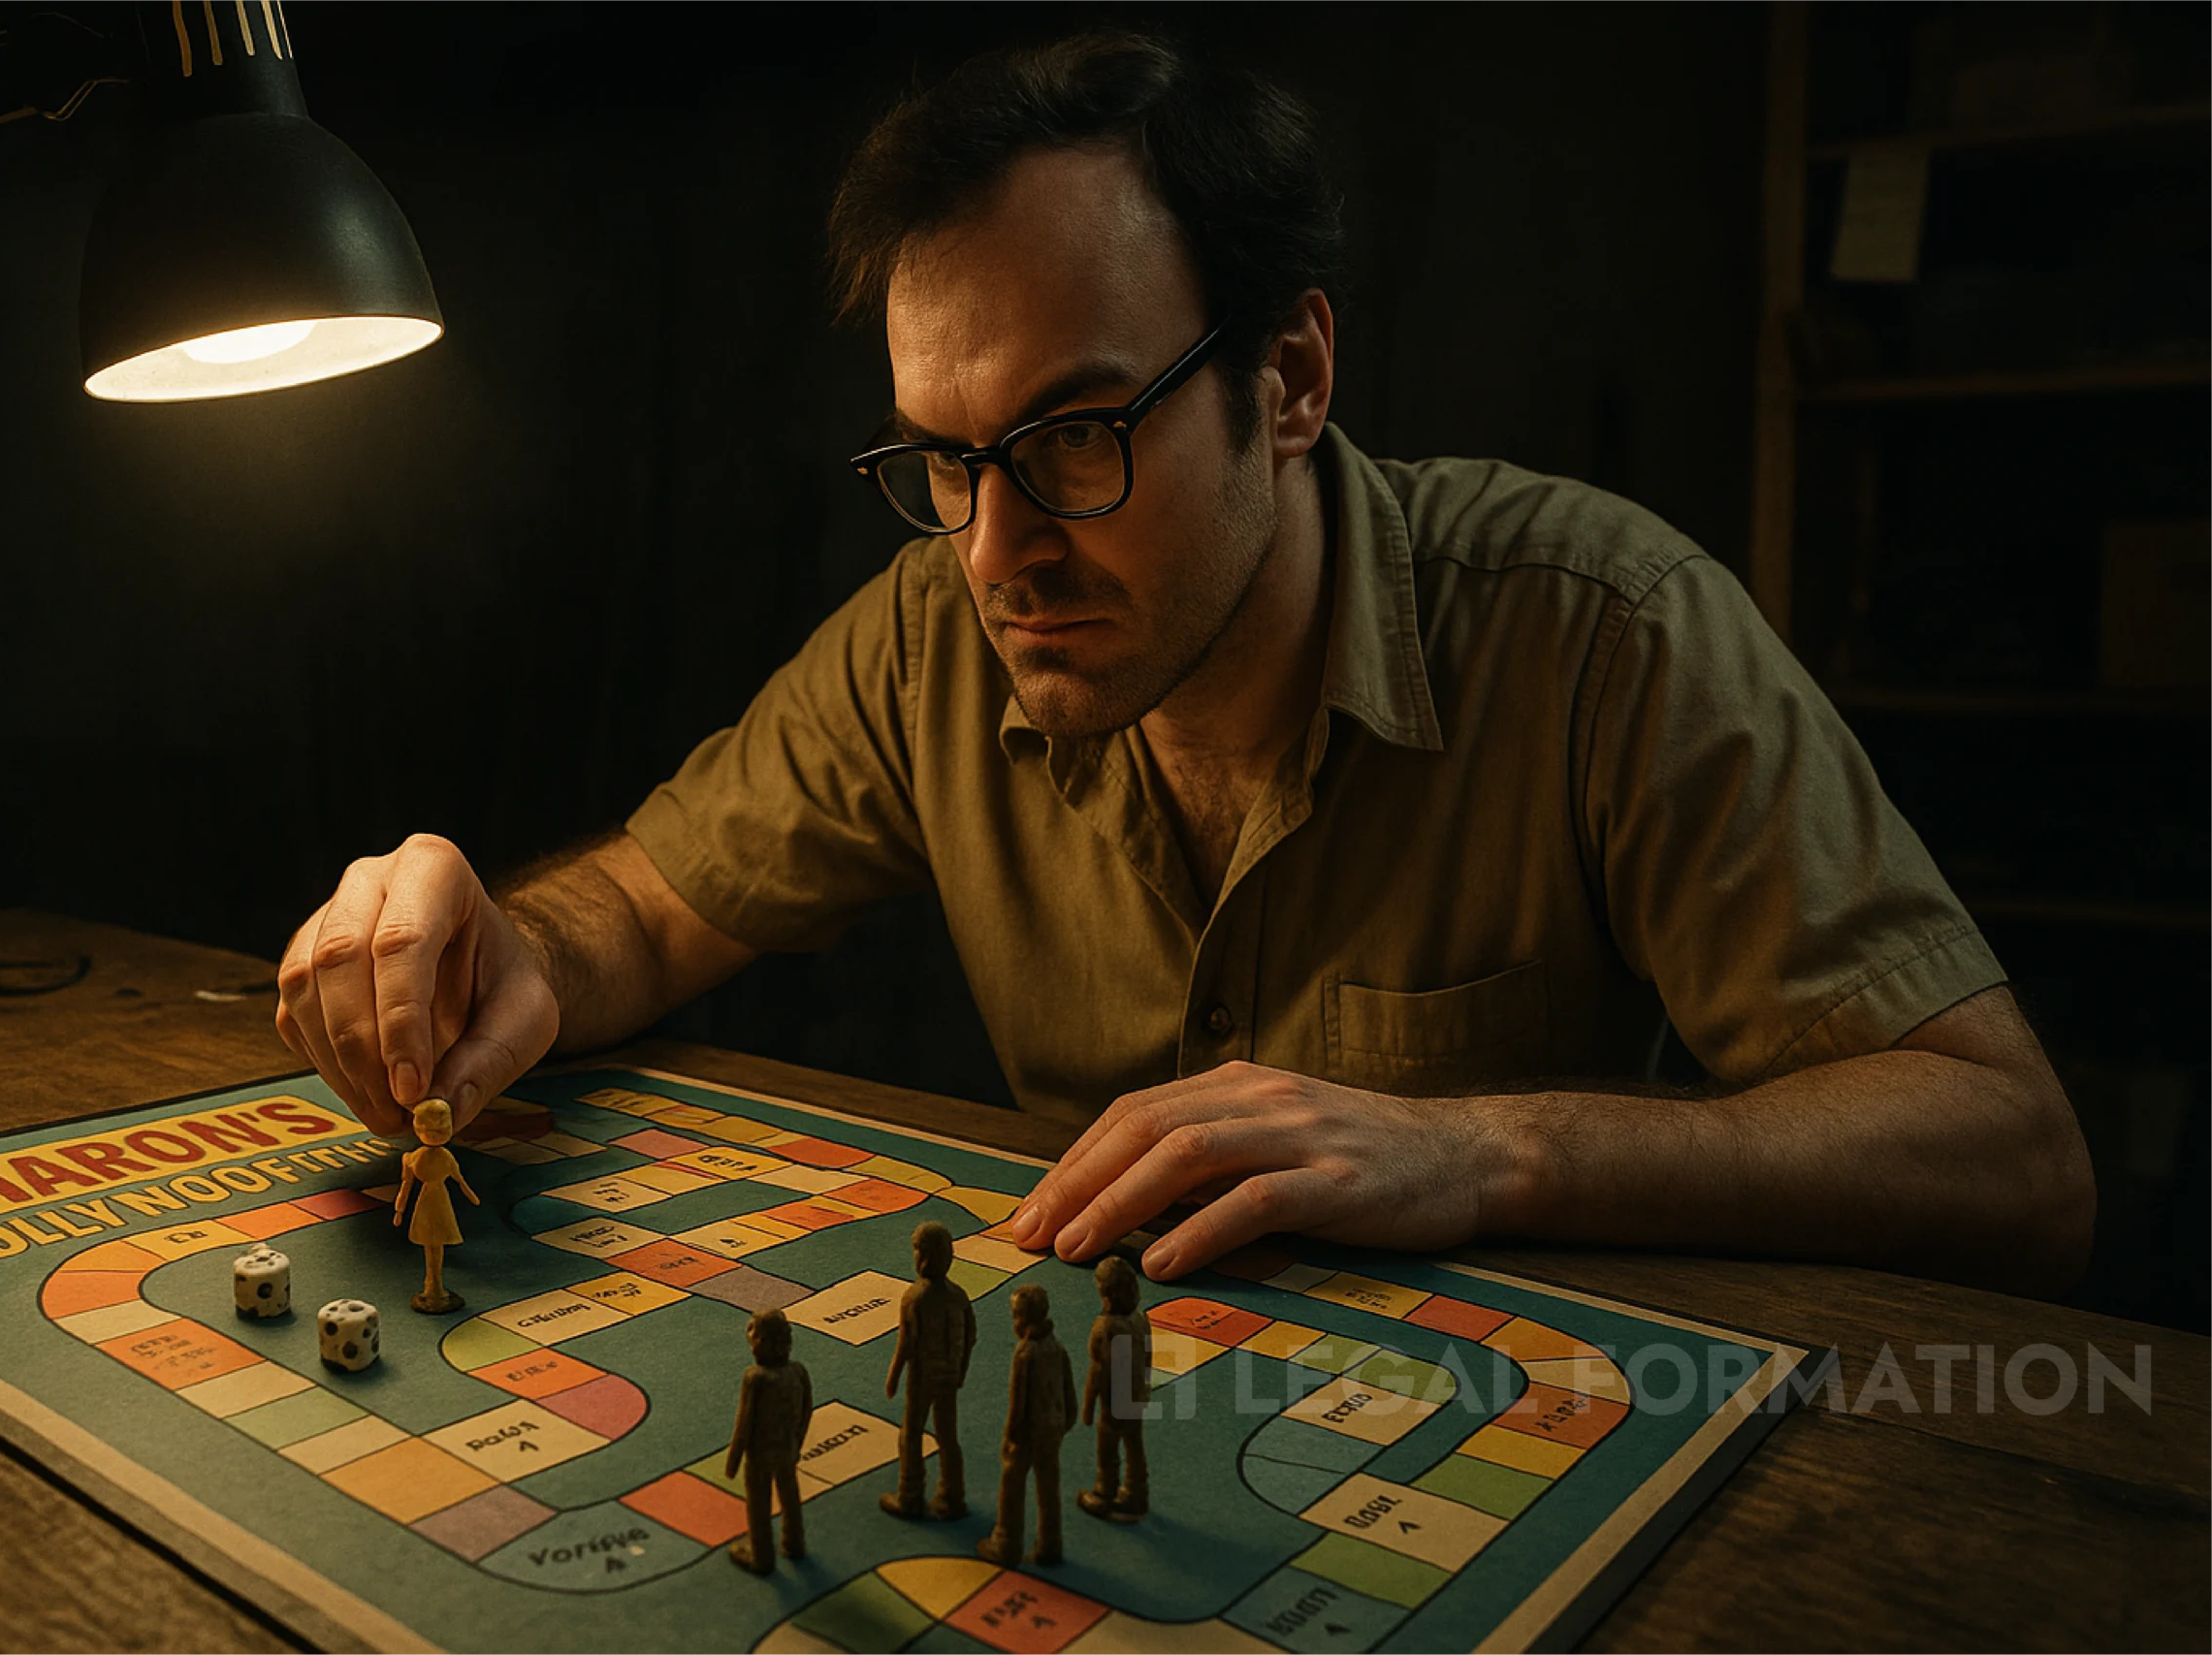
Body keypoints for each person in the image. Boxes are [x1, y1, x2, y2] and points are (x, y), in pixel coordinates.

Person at [275, 33, 2093, 1296]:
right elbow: (653, 914)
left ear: (1290, 381)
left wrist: (1487, 1153)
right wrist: (508, 940)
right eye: (944, 455)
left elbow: (2011, 1161)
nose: (995, 552)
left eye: (1077, 436)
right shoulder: (938, 624)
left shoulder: (1602, 628)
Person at [881, 1221, 976, 1521]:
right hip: (948, 1376)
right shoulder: (959, 1296)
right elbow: (971, 1336)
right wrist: (960, 1369)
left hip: (923, 1377)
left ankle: (910, 1495)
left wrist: (894, 1375)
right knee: (947, 1437)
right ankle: (953, 1495)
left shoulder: (916, 1296)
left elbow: (907, 1342)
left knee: (911, 1434)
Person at [980, 1285, 1076, 1567]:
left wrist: (1011, 1435)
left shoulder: (1026, 1353)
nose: (1015, 1322)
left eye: (1016, 1316)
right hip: (1053, 1428)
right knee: (1048, 1486)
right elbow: (1069, 1390)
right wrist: (1067, 1419)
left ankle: (1006, 1543)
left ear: (1025, 1318)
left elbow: (1018, 1401)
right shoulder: (1056, 1347)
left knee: (1012, 1482)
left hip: (1029, 1431)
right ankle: (1050, 1543)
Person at [723, 1307, 813, 1575]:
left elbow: (744, 1423)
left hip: (760, 1454)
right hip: (787, 1449)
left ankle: (762, 1555)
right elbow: (807, 1410)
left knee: (759, 1502)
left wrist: (733, 1459)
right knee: (789, 1495)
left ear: (760, 1342)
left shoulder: (755, 1377)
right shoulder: (798, 1371)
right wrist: (798, 1441)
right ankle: (794, 1542)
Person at [1079, 1256, 1150, 1522]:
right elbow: (1148, 1356)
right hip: (1135, 1396)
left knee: (1108, 1447)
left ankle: (1104, 1493)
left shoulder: (1105, 1326)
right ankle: (1136, 1492)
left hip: (1114, 1402)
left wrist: (1087, 1406)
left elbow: (1098, 1370)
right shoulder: (1140, 1319)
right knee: (1135, 1446)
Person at [392, 1098, 479, 1314]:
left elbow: (460, 1180)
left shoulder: (442, 1157)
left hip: (439, 1203)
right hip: (430, 1204)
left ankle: (434, 1284)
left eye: (441, 1128)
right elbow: (406, 1185)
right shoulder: (413, 1158)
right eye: (430, 1129)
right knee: (432, 1244)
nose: (435, 1134)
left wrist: (472, 1196)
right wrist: (399, 1210)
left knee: (435, 1244)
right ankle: (433, 1285)